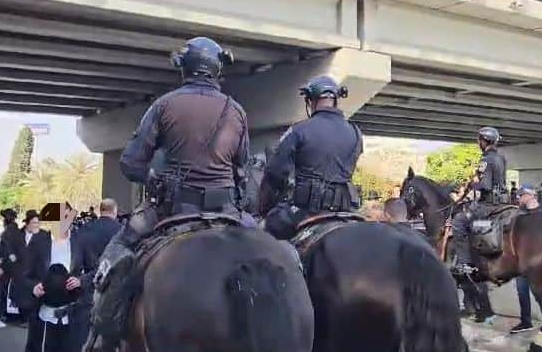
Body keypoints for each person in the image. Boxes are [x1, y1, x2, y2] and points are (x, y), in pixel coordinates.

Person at [90, 37, 249, 351]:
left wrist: (153, 178)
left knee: (118, 250)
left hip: (172, 209)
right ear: (217, 68)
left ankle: (101, 334)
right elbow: (242, 168)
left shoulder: (164, 105)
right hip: (227, 211)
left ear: (185, 68)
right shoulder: (237, 111)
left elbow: (131, 163)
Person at [260, 75, 363, 240]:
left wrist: (265, 208)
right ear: (336, 100)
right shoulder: (355, 132)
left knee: (266, 233)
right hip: (346, 210)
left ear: (311, 101)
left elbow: (275, 173)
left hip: (306, 210)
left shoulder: (299, 130)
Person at [23, 203, 96, 352]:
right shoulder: (39, 242)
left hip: (72, 315)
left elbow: (95, 270)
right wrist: (34, 287)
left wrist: (80, 280)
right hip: (44, 315)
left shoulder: (79, 242)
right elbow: (24, 274)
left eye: (67, 217)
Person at [451, 126, 506, 276]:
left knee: (459, 222)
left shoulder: (486, 159)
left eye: (479, 140)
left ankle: (465, 264)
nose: (478, 143)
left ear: (485, 141)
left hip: (488, 204)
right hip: (502, 202)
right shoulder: (501, 157)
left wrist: (471, 184)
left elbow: (485, 185)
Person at [511, 186, 542, 334]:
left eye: (521, 196)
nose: (519, 198)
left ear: (531, 196)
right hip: (521, 261)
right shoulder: (519, 214)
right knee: (522, 291)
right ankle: (526, 322)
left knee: (539, 293)